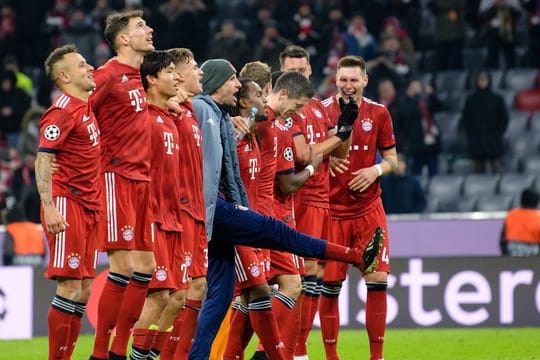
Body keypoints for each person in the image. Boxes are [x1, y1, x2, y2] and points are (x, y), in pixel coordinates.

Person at [189, 63, 379, 360]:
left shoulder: (264, 125)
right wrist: (329, 147)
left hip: (250, 214)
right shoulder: (235, 119)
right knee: (241, 288)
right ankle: (353, 254)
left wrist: (342, 135)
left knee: (245, 294)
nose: (264, 102)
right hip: (234, 217)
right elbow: (256, 135)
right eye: (259, 97)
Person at [278, 44, 356, 360]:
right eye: (291, 71)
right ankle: (293, 349)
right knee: (304, 272)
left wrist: (345, 127)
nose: (298, 75)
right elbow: (303, 156)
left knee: (318, 275)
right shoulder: (289, 109)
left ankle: (298, 347)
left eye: (302, 69)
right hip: (300, 198)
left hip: (323, 198)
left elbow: (340, 153)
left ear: (310, 70)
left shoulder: (318, 107)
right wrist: (338, 136)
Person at [89, 10, 156, 360]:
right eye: (141, 26)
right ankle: (100, 354)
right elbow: (76, 113)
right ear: (123, 39)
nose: (150, 30)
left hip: (143, 179)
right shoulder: (106, 76)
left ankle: (119, 351)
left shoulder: (138, 78)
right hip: (116, 177)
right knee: (123, 268)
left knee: (146, 268)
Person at [321, 55, 397, 360]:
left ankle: (376, 357)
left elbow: (393, 160)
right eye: (343, 79)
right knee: (330, 286)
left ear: (365, 80)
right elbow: (307, 156)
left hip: (368, 212)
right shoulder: (321, 111)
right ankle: (331, 357)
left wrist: (375, 170)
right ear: (335, 80)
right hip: (331, 212)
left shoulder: (379, 113)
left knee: (377, 280)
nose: (348, 85)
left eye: (354, 80)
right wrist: (327, 158)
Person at [36, 44, 101, 360]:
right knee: (69, 287)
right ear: (64, 76)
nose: (89, 68)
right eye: (81, 64)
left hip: (90, 206)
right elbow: (43, 158)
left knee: (85, 289)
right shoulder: (61, 110)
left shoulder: (85, 105)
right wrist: (49, 205)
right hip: (67, 204)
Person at [127, 50, 188, 360]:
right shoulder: (144, 120)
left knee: (175, 297)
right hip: (151, 217)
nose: (175, 78)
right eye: (168, 73)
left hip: (173, 217)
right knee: (158, 294)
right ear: (150, 79)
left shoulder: (168, 118)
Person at [223, 78, 286, 360]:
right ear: (245, 103)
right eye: (260, 95)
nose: (265, 100)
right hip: (233, 225)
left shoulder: (250, 134)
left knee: (254, 294)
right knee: (257, 290)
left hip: (250, 223)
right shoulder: (234, 132)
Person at [158, 47, 208, 360]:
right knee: (174, 294)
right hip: (179, 210)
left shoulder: (189, 110)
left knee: (197, 287)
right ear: (177, 74)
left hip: (197, 211)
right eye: (193, 67)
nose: (198, 72)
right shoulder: (168, 111)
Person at [461, 70, 509, 174]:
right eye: (480, 80)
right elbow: (465, 119)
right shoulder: (470, 100)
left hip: (494, 141)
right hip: (476, 141)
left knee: (497, 169)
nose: (483, 82)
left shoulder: (497, 99)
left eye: (485, 79)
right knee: (478, 170)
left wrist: (498, 134)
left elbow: (504, 118)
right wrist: (471, 135)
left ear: (489, 81)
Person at [395, 78, 442, 177]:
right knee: (416, 173)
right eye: (414, 87)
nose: (417, 89)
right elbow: (408, 113)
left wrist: (431, 95)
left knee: (434, 173)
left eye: (418, 86)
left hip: (431, 142)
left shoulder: (426, 100)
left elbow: (439, 107)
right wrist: (413, 97)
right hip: (416, 144)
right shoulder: (404, 101)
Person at [500, 188, 540, 256]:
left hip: (512, 249)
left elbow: (502, 239)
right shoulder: (538, 216)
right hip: (533, 251)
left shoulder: (511, 214)